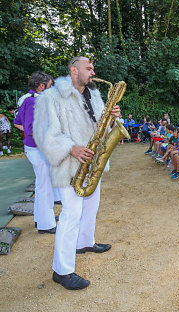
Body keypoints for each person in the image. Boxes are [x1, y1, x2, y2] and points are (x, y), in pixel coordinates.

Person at [33, 56, 121, 290]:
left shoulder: (94, 95)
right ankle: (62, 271)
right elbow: (42, 134)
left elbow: (102, 128)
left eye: (93, 68)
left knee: (92, 205)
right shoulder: (50, 98)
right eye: (88, 68)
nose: (93, 72)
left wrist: (112, 120)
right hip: (68, 165)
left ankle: (85, 242)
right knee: (71, 213)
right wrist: (71, 148)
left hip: (92, 162)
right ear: (74, 70)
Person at [14, 71, 56, 233]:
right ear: (41, 86)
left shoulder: (27, 100)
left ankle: (42, 218)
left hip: (34, 148)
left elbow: (18, 123)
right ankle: (46, 224)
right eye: (49, 86)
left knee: (41, 185)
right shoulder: (34, 102)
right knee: (44, 186)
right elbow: (32, 129)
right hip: (39, 149)